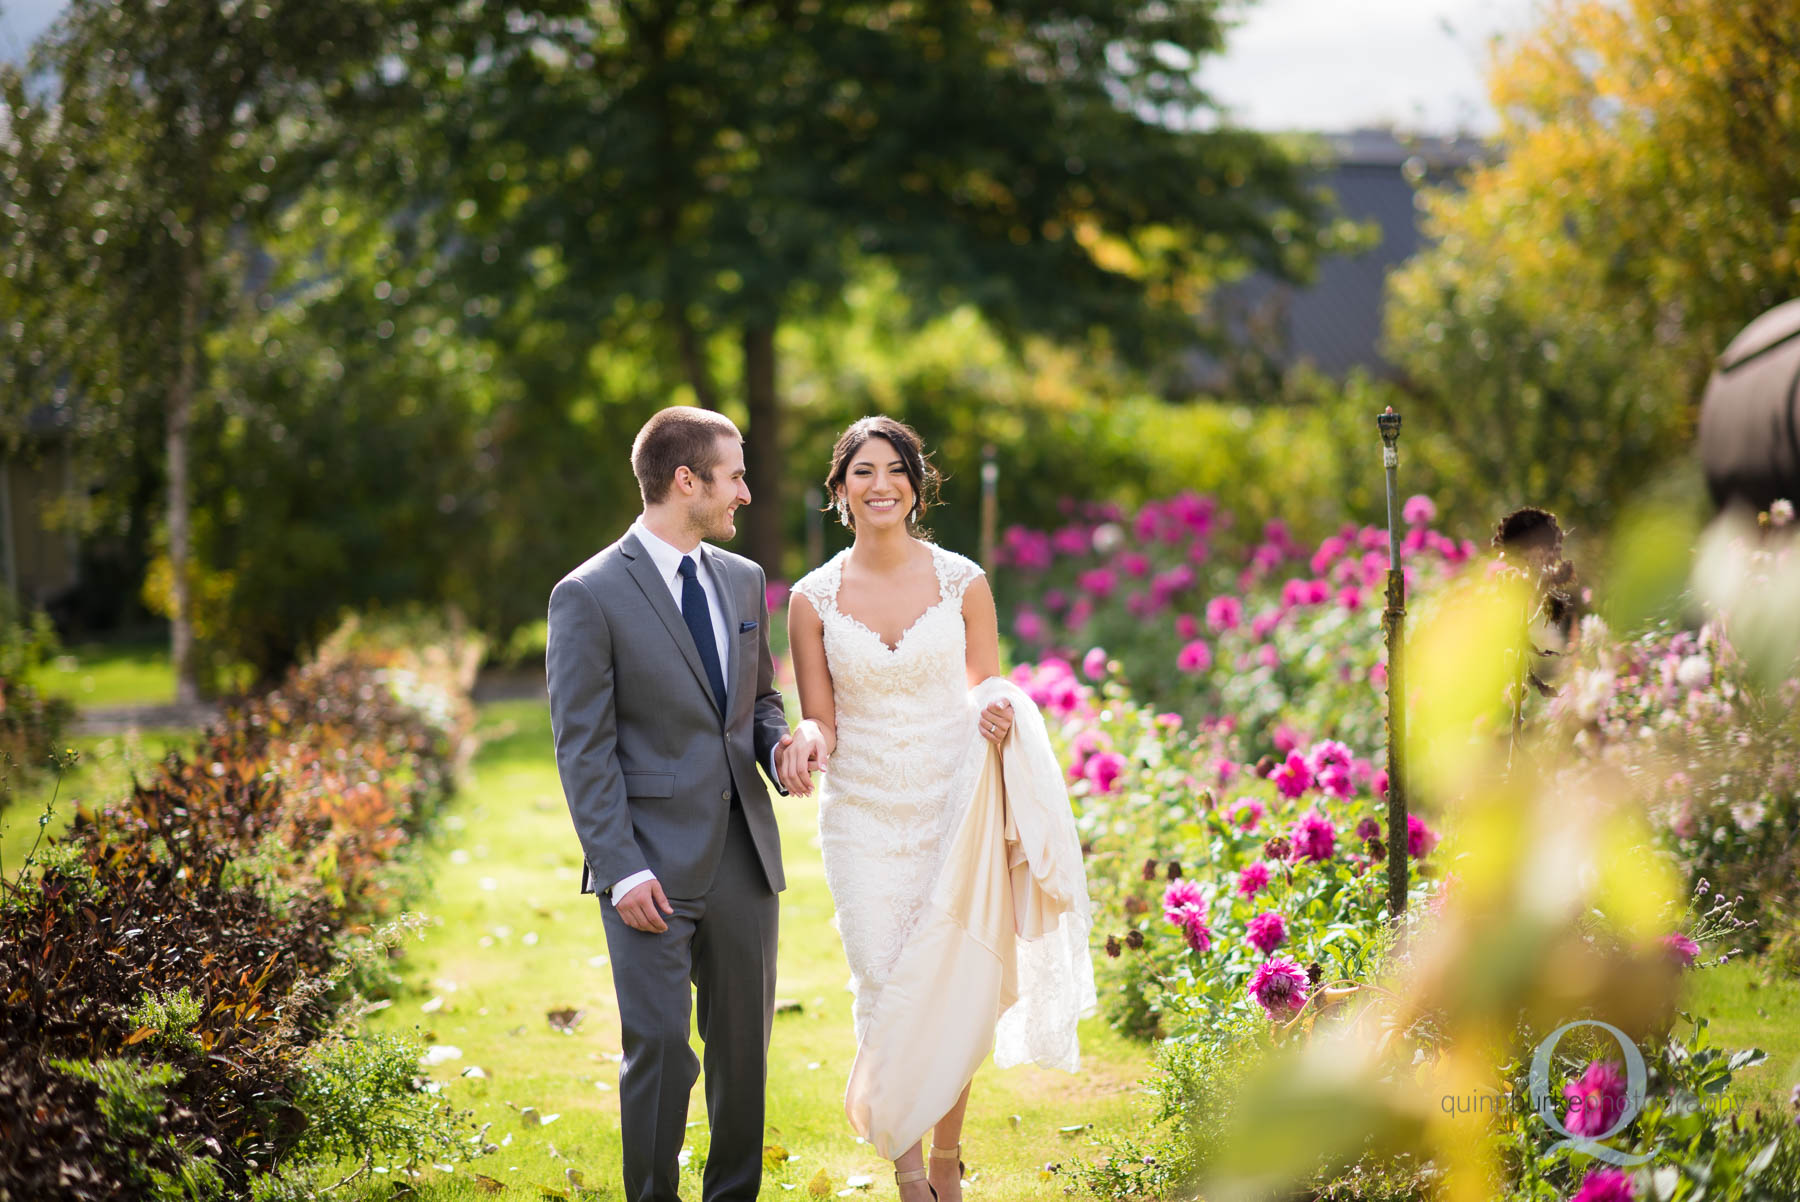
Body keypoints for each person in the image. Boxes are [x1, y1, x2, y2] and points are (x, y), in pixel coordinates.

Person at [781, 416, 1093, 1201]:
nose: (879, 484)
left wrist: (996, 709)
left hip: (954, 806)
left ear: (917, 486)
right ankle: (909, 1173)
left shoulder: (964, 581)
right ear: (840, 490)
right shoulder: (810, 598)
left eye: (894, 470)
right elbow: (822, 715)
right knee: (883, 984)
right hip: (862, 816)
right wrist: (805, 739)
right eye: (862, 472)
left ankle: (946, 1159)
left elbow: (984, 682)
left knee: (951, 985)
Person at [546, 405, 826, 1202]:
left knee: (744, 1053)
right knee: (663, 1047)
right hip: (648, 865)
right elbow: (583, 745)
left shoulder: (741, 580)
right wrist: (619, 868)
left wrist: (780, 746)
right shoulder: (588, 595)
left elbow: (756, 701)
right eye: (734, 476)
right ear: (686, 480)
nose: (745, 493)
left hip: (743, 854)